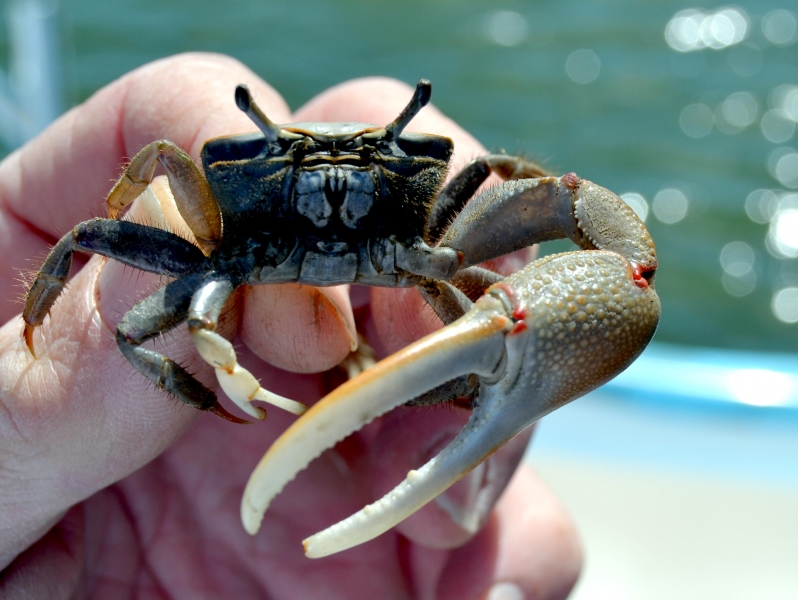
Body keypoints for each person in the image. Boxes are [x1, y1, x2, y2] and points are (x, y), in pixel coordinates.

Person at [0, 53, 581, 600]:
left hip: (402, 252)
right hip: (241, 254)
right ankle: (205, 397)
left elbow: (519, 187)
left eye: (368, 175)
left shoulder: (444, 252)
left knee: (496, 255)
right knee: (122, 303)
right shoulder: (210, 230)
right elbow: (150, 173)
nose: (333, 194)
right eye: (297, 174)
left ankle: (448, 396)